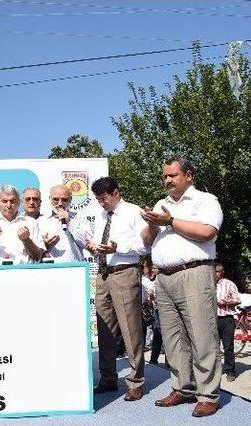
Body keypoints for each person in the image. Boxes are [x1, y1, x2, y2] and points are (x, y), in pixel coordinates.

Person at [141, 156, 223, 417]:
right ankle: (182, 387)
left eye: (172, 175)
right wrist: (153, 225)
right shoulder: (161, 204)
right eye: (165, 176)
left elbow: (208, 232)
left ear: (188, 175)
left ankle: (208, 394)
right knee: (173, 338)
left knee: (202, 334)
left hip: (194, 273)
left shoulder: (205, 200)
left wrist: (170, 222)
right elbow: (145, 241)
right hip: (163, 277)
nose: (167, 180)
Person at [78, 177, 147, 402]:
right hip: (103, 272)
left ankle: (136, 382)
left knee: (131, 329)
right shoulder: (100, 216)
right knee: (105, 329)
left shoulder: (134, 211)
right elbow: (97, 240)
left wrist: (119, 247)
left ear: (116, 193)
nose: (102, 203)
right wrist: (91, 245)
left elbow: (145, 245)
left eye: (104, 198)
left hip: (126, 271)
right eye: (98, 200)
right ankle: (108, 378)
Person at [0, 185, 44, 265]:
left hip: (24, 272)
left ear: (19, 202)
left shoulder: (31, 222)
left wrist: (26, 240)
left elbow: (38, 257)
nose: (8, 205)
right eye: (4, 201)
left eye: (12, 201)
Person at [38, 185, 84, 262]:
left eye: (64, 200)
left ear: (70, 200)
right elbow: (36, 252)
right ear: (50, 199)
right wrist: (46, 245)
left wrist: (69, 221)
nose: (60, 203)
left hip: (75, 267)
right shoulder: (41, 221)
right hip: (51, 268)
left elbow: (84, 243)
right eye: (56, 199)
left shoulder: (79, 218)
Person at [215, 262, 240, 382]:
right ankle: (214, 370)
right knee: (212, 347)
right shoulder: (208, 285)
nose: (215, 274)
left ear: (222, 272)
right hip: (212, 319)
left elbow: (237, 300)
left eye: (217, 271)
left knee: (228, 346)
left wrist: (225, 303)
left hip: (226, 319)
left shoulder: (229, 284)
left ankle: (230, 371)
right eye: (213, 271)